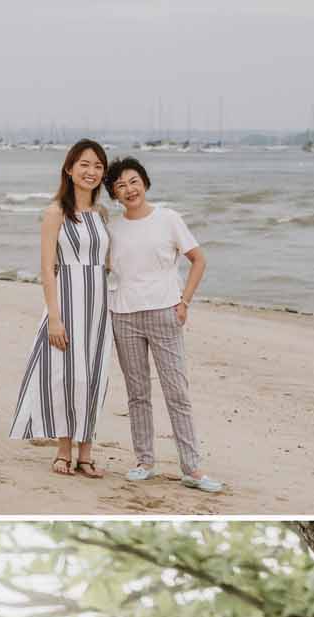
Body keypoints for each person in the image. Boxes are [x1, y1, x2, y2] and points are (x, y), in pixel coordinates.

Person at [103, 158, 226, 494]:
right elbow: (101, 270)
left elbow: (198, 259)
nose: (129, 189)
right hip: (124, 315)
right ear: (114, 194)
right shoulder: (113, 230)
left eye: (133, 181)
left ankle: (192, 468)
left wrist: (184, 301)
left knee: (177, 392)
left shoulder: (168, 219)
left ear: (144, 181)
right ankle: (144, 461)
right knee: (137, 393)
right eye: (120, 186)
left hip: (164, 313)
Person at [9, 140, 113, 479]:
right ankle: (64, 450)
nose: (91, 171)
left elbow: (108, 264)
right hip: (67, 301)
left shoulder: (102, 214)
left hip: (98, 306)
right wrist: (54, 317)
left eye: (98, 166)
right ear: (69, 169)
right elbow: (47, 268)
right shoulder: (56, 212)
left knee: (94, 377)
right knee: (68, 376)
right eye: (84, 164)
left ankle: (87, 453)